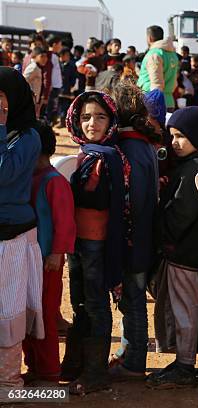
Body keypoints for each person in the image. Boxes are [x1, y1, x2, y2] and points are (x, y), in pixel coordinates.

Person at [146, 107, 198, 389]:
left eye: (181, 137)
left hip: (183, 254)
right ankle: (181, 362)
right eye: (172, 136)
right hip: (181, 253)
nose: (174, 142)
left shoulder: (195, 171)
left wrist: (162, 236)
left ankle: (185, 365)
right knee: (180, 308)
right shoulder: (191, 166)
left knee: (185, 311)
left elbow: (181, 214)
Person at [61, 91, 129, 395]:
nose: (92, 123)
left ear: (111, 120)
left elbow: (104, 202)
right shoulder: (84, 154)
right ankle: (75, 363)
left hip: (97, 243)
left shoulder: (110, 157)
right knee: (79, 301)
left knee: (96, 304)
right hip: (77, 240)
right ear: (76, 119)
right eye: (86, 116)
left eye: (100, 117)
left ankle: (96, 372)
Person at [106, 81, 159, 382]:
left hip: (132, 240)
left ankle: (135, 361)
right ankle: (130, 352)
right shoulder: (144, 143)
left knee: (133, 302)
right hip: (142, 237)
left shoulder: (129, 147)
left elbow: (133, 201)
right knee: (132, 300)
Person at [22, 121, 76, 386]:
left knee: (44, 316)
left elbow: (65, 223)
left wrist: (56, 254)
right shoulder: (30, 178)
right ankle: (34, 367)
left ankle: (49, 373)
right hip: (30, 260)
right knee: (30, 316)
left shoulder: (54, 181)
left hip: (48, 263)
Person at [0, 67, 44, 390]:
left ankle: (8, 382)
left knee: (8, 312)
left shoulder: (28, 137)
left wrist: (0, 127)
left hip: (12, 239)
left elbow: (3, 174)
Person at [137, 25, 179, 110]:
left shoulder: (154, 54)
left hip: (154, 103)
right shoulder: (172, 54)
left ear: (150, 38)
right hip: (169, 100)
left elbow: (156, 82)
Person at [23, 47, 48, 118]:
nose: (45, 59)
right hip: (29, 100)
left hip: (34, 100)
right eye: (42, 56)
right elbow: (23, 80)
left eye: (46, 56)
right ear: (34, 57)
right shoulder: (33, 67)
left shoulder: (38, 67)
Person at [46, 35, 63, 123]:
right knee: (50, 108)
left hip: (56, 86)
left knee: (53, 108)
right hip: (52, 86)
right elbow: (48, 72)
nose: (61, 46)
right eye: (60, 44)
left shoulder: (54, 56)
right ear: (54, 44)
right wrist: (50, 85)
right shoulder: (50, 56)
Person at [59, 48, 77, 128]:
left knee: (65, 106)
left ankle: (65, 123)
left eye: (68, 55)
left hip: (67, 89)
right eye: (66, 55)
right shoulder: (58, 65)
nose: (68, 57)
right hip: (59, 88)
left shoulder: (72, 65)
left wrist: (71, 87)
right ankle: (60, 121)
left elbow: (73, 78)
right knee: (59, 106)